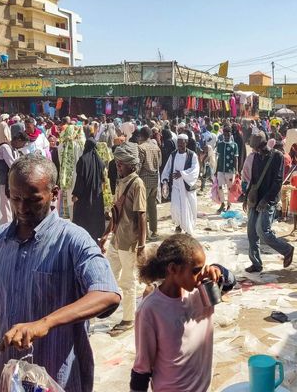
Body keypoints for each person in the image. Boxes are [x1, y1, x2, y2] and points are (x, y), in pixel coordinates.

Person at [0, 155, 120, 392]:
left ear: (54, 194)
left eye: (33, 200)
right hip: (8, 373)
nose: (22, 208)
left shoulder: (73, 240)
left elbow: (107, 294)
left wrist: (45, 323)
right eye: (16, 198)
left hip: (57, 375)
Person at [130, 234, 235, 392]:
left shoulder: (201, 293)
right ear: (172, 269)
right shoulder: (151, 309)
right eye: (195, 271)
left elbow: (231, 282)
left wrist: (218, 269)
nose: (201, 275)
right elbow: (141, 368)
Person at [99, 142, 146, 335]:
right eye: (117, 164)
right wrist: (106, 234)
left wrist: (142, 245)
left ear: (131, 165)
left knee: (128, 281)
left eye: (121, 164)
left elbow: (142, 215)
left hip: (129, 241)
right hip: (117, 239)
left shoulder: (137, 184)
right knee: (107, 275)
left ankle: (128, 319)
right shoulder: (121, 181)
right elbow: (116, 212)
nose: (118, 167)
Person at [244, 132, 294, 273]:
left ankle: (287, 249)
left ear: (261, 145)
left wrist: (266, 200)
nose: (254, 150)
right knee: (251, 232)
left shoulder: (277, 156)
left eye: (256, 147)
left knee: (263, 231)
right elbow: (253, 180)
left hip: (269, 200)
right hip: (255, 199)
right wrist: (248, 196)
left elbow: (278, 181)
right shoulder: (256, 157)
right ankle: (256, 263)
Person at [161, 134, 199, 235]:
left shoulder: (192, 155)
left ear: (186, 143)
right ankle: (178, 225)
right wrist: (164, 179)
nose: (180, 146)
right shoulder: (173, 154)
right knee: (176, 207)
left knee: (188, 209)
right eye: (178, 143)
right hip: (176, 186)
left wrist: (182, 174)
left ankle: (188, 229)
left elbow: (195, 170)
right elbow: (167, 167)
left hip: (187, 187)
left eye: (182, 143)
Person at [0, 131, 29, 224]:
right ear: (18, 140)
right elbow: (13, 164)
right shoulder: (5, 147)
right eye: (23, 144)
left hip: (9, 183)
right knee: (5, 208)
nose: (23, 146)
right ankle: (6, 229)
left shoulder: (15, 150)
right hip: (2, 183)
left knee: (11, 207)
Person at [72, 138, 105, 242]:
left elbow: (80, 179)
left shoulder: (83, 160)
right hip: (96, 194)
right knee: (94, 216)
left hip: (84, 196)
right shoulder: (99, 160)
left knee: (83, 217)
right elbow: (103, 178)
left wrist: (76, 194)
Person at [138, 126, 161, 240]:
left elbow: (139, 165)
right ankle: (154, 231)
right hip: (155, 179)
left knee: (142, 208)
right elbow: (160, 163)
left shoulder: (141, 148)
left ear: (141, 136)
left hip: (144, 180)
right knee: (153, 207)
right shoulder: (156, 147)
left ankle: (145, 233)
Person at [215, 125, 239, 213]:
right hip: (220, 170)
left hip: (230, 170)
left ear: (230, 134)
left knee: (229, 189)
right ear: (223, 134)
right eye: (225, 135)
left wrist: (236, 171)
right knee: (220, 187)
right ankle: (222, 204)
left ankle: (229, 204)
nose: (226, 137)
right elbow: (218, 158)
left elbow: (236, 159)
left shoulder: (234, 145)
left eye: (228, 135)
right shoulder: (220, 144)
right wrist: (216, 170)